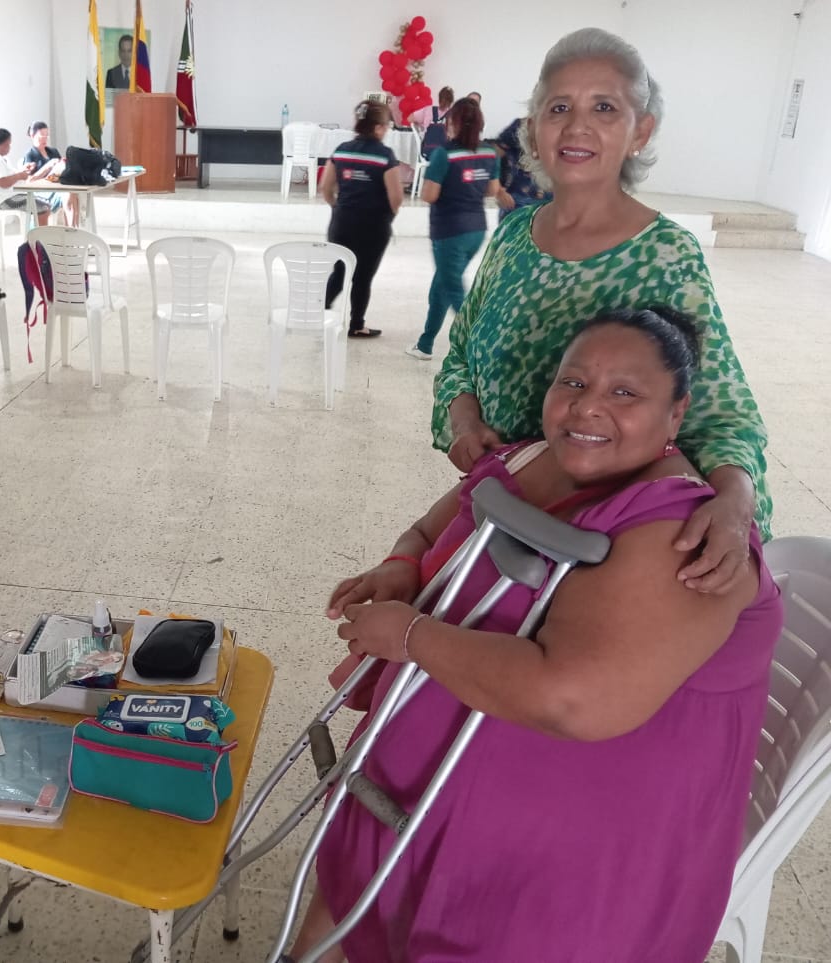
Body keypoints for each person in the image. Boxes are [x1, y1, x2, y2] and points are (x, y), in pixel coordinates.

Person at [292, 306, 782, 962]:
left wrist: (410, 637)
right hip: (419, 777)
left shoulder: (684, 533)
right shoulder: (529, 457)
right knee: (348, 886)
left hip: (567, 846)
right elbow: (432, 526)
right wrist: (402, 562)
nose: (587, 407)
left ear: (676, 414)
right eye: (573, 382)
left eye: (625, 392)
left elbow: (575, 699)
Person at [433, 27, 770, 591]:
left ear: (641, 131)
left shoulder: (664, 255)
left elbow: (721, 414)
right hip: (507, 511)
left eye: (604, 107)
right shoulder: (513, 235)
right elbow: (462, 355)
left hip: (603, 545)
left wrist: (735, 502)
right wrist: (464, 421)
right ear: (533, 130)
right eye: (559, 107)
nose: (577, 126)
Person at [406, 98, 501, 361]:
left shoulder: (443, 154)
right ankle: (425, 344)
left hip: (449, 232)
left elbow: (429, 195)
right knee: (442, 287)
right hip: (476, 230)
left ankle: (484, 348)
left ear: (454, 123)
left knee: (455, 292)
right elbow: (492, 190)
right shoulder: (490, 153)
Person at [320, 100, 406, 339]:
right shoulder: (385, 156)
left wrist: (337, 208)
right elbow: (396, 197)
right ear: (378, 127)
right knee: (363, 277)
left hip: (341, 223)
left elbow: (325, 187)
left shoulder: (341, 150)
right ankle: (357, 325)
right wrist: (388, 216)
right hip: (373, 226)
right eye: (386, 126)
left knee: (339, 272)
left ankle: (318, 314)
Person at [0, 127, 50, 227]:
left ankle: (35, 233)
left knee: (44, 203)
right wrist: (19, 176)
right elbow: (2, 182)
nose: (9, 148)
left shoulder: (0, 159)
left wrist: (23, 170)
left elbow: (8, 176)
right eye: (7, 145)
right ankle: (39, 235)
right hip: (6, 200)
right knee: (44, 207)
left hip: (11, 196)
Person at [492, 116, 552, 221]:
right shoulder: (521, 126)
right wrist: (499, 190)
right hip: (517, 200)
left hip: (553, 200)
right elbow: (496, 153)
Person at [22, 121, 79, 227]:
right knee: (67, 194)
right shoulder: (30, 155)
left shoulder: (53, 151)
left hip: (57, 186)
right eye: (41, 136)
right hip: (41, 192)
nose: (45, 139)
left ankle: (72, 229)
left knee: (72, 193)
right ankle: (71, 230)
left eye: (47, 135)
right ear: (32, 135)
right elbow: (29, 180)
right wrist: (48, 166)